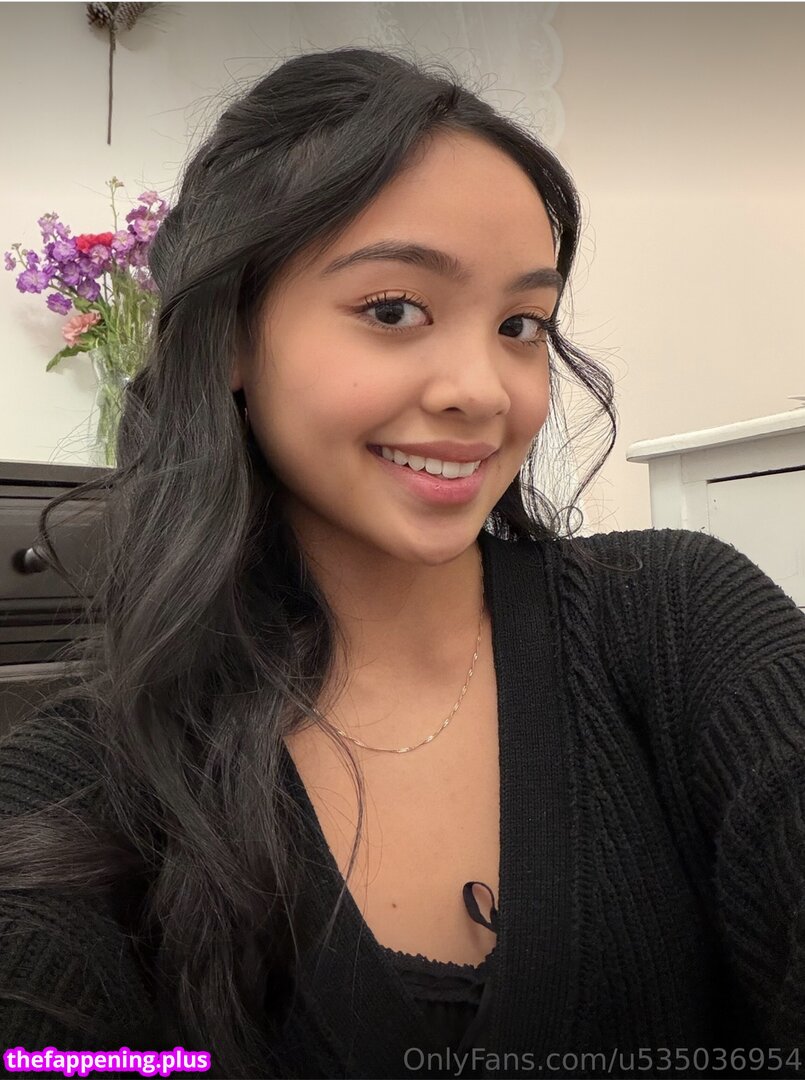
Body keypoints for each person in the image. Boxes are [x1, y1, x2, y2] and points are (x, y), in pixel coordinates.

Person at [1, 45, 804, 1080]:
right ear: (232, 334)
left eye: (521, 324)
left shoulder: (681, 620)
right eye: (393, 310)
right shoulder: (84, 782)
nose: (484, 389)